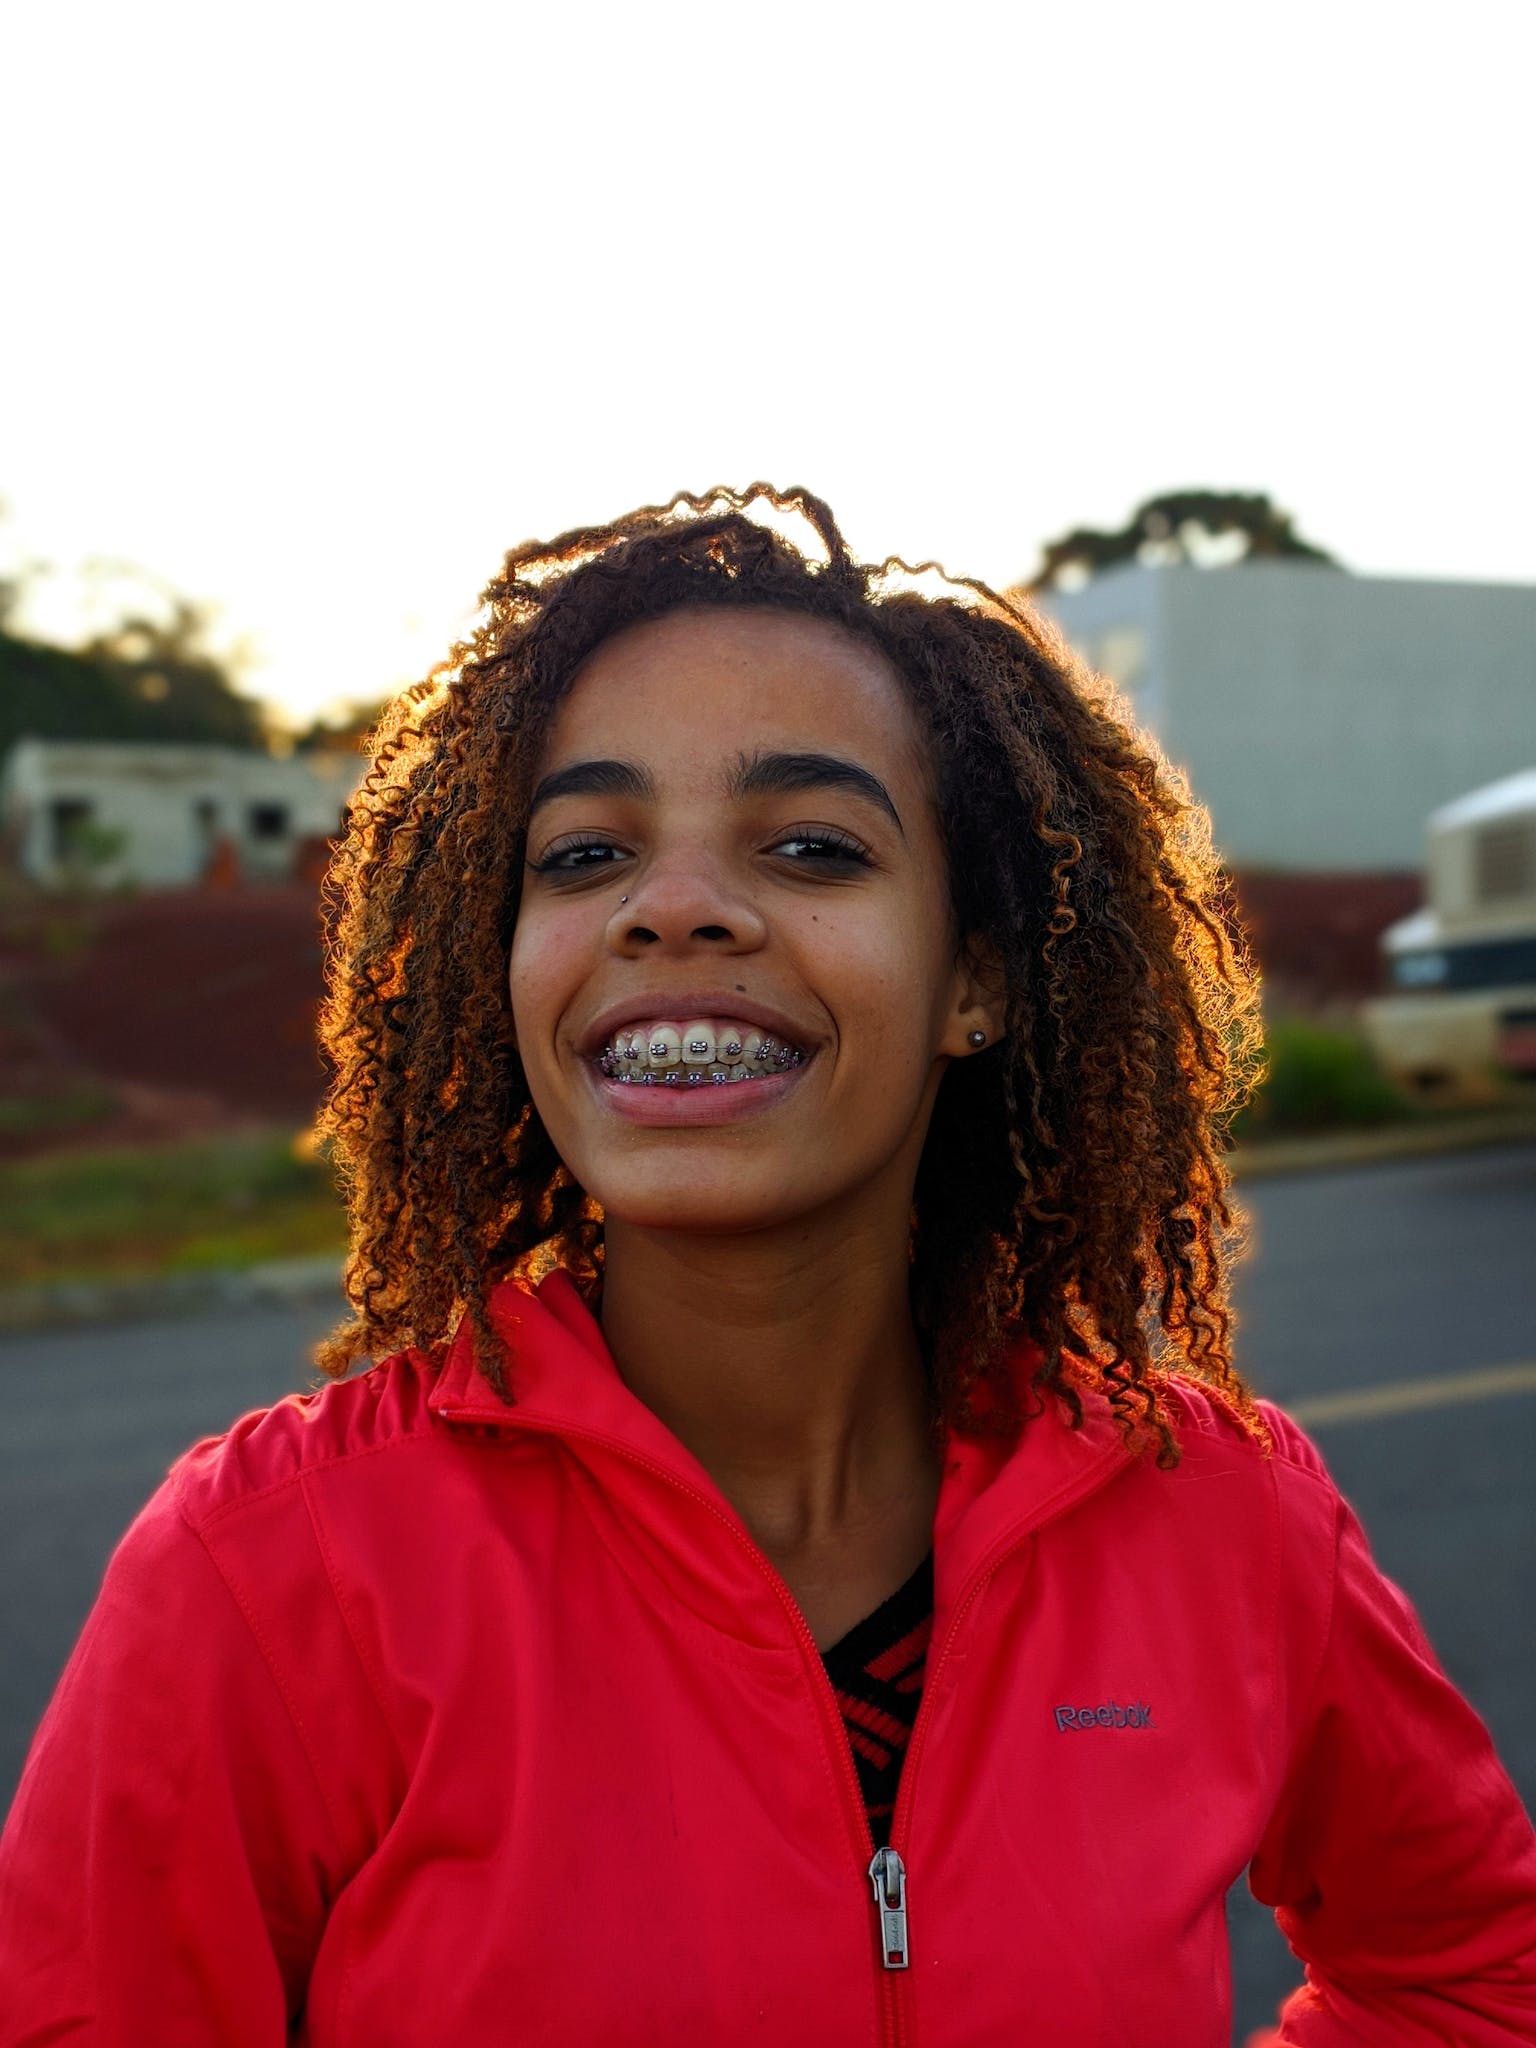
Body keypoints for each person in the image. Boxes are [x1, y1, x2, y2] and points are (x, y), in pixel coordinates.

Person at [1, 484, 1532, 2045]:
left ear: (977, 983)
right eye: (585, 852)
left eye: (809, 845)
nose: (670, 909)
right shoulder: (266, 1576)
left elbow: (1471, 1973)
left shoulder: (1228, 1519)